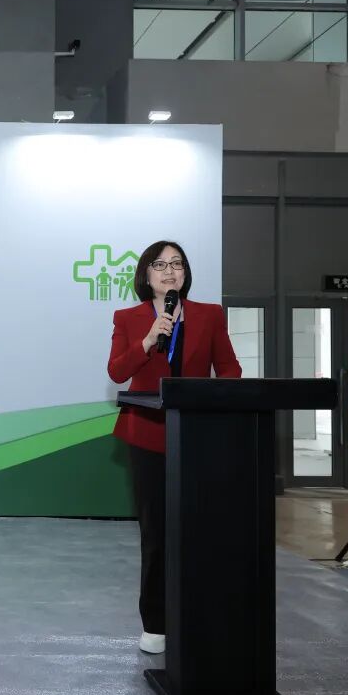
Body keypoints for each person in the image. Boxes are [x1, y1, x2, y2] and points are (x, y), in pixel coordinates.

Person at [107, 240, 241, 655]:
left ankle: (198, 615)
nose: (170, 271)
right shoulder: (129, 318)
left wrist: (218, 404)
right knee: (156, 534)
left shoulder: (209, 315)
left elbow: (230, 369)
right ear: (146, 276)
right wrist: (148, 340)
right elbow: (117, 372)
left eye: (177, 264)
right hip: (147, 436)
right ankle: (156, 623)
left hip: (197, 437)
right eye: (160, 265)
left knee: (200, 531)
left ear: (185, 273)